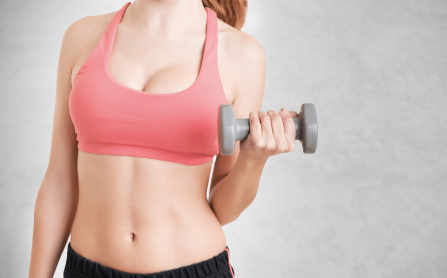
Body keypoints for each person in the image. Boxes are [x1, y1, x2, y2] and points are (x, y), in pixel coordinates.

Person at [28, 0, 298, 277]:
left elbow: (223, 209)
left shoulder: (242, 54)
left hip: (194, 267)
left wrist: (253, 160)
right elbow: (59, 182)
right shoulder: (82, 35)